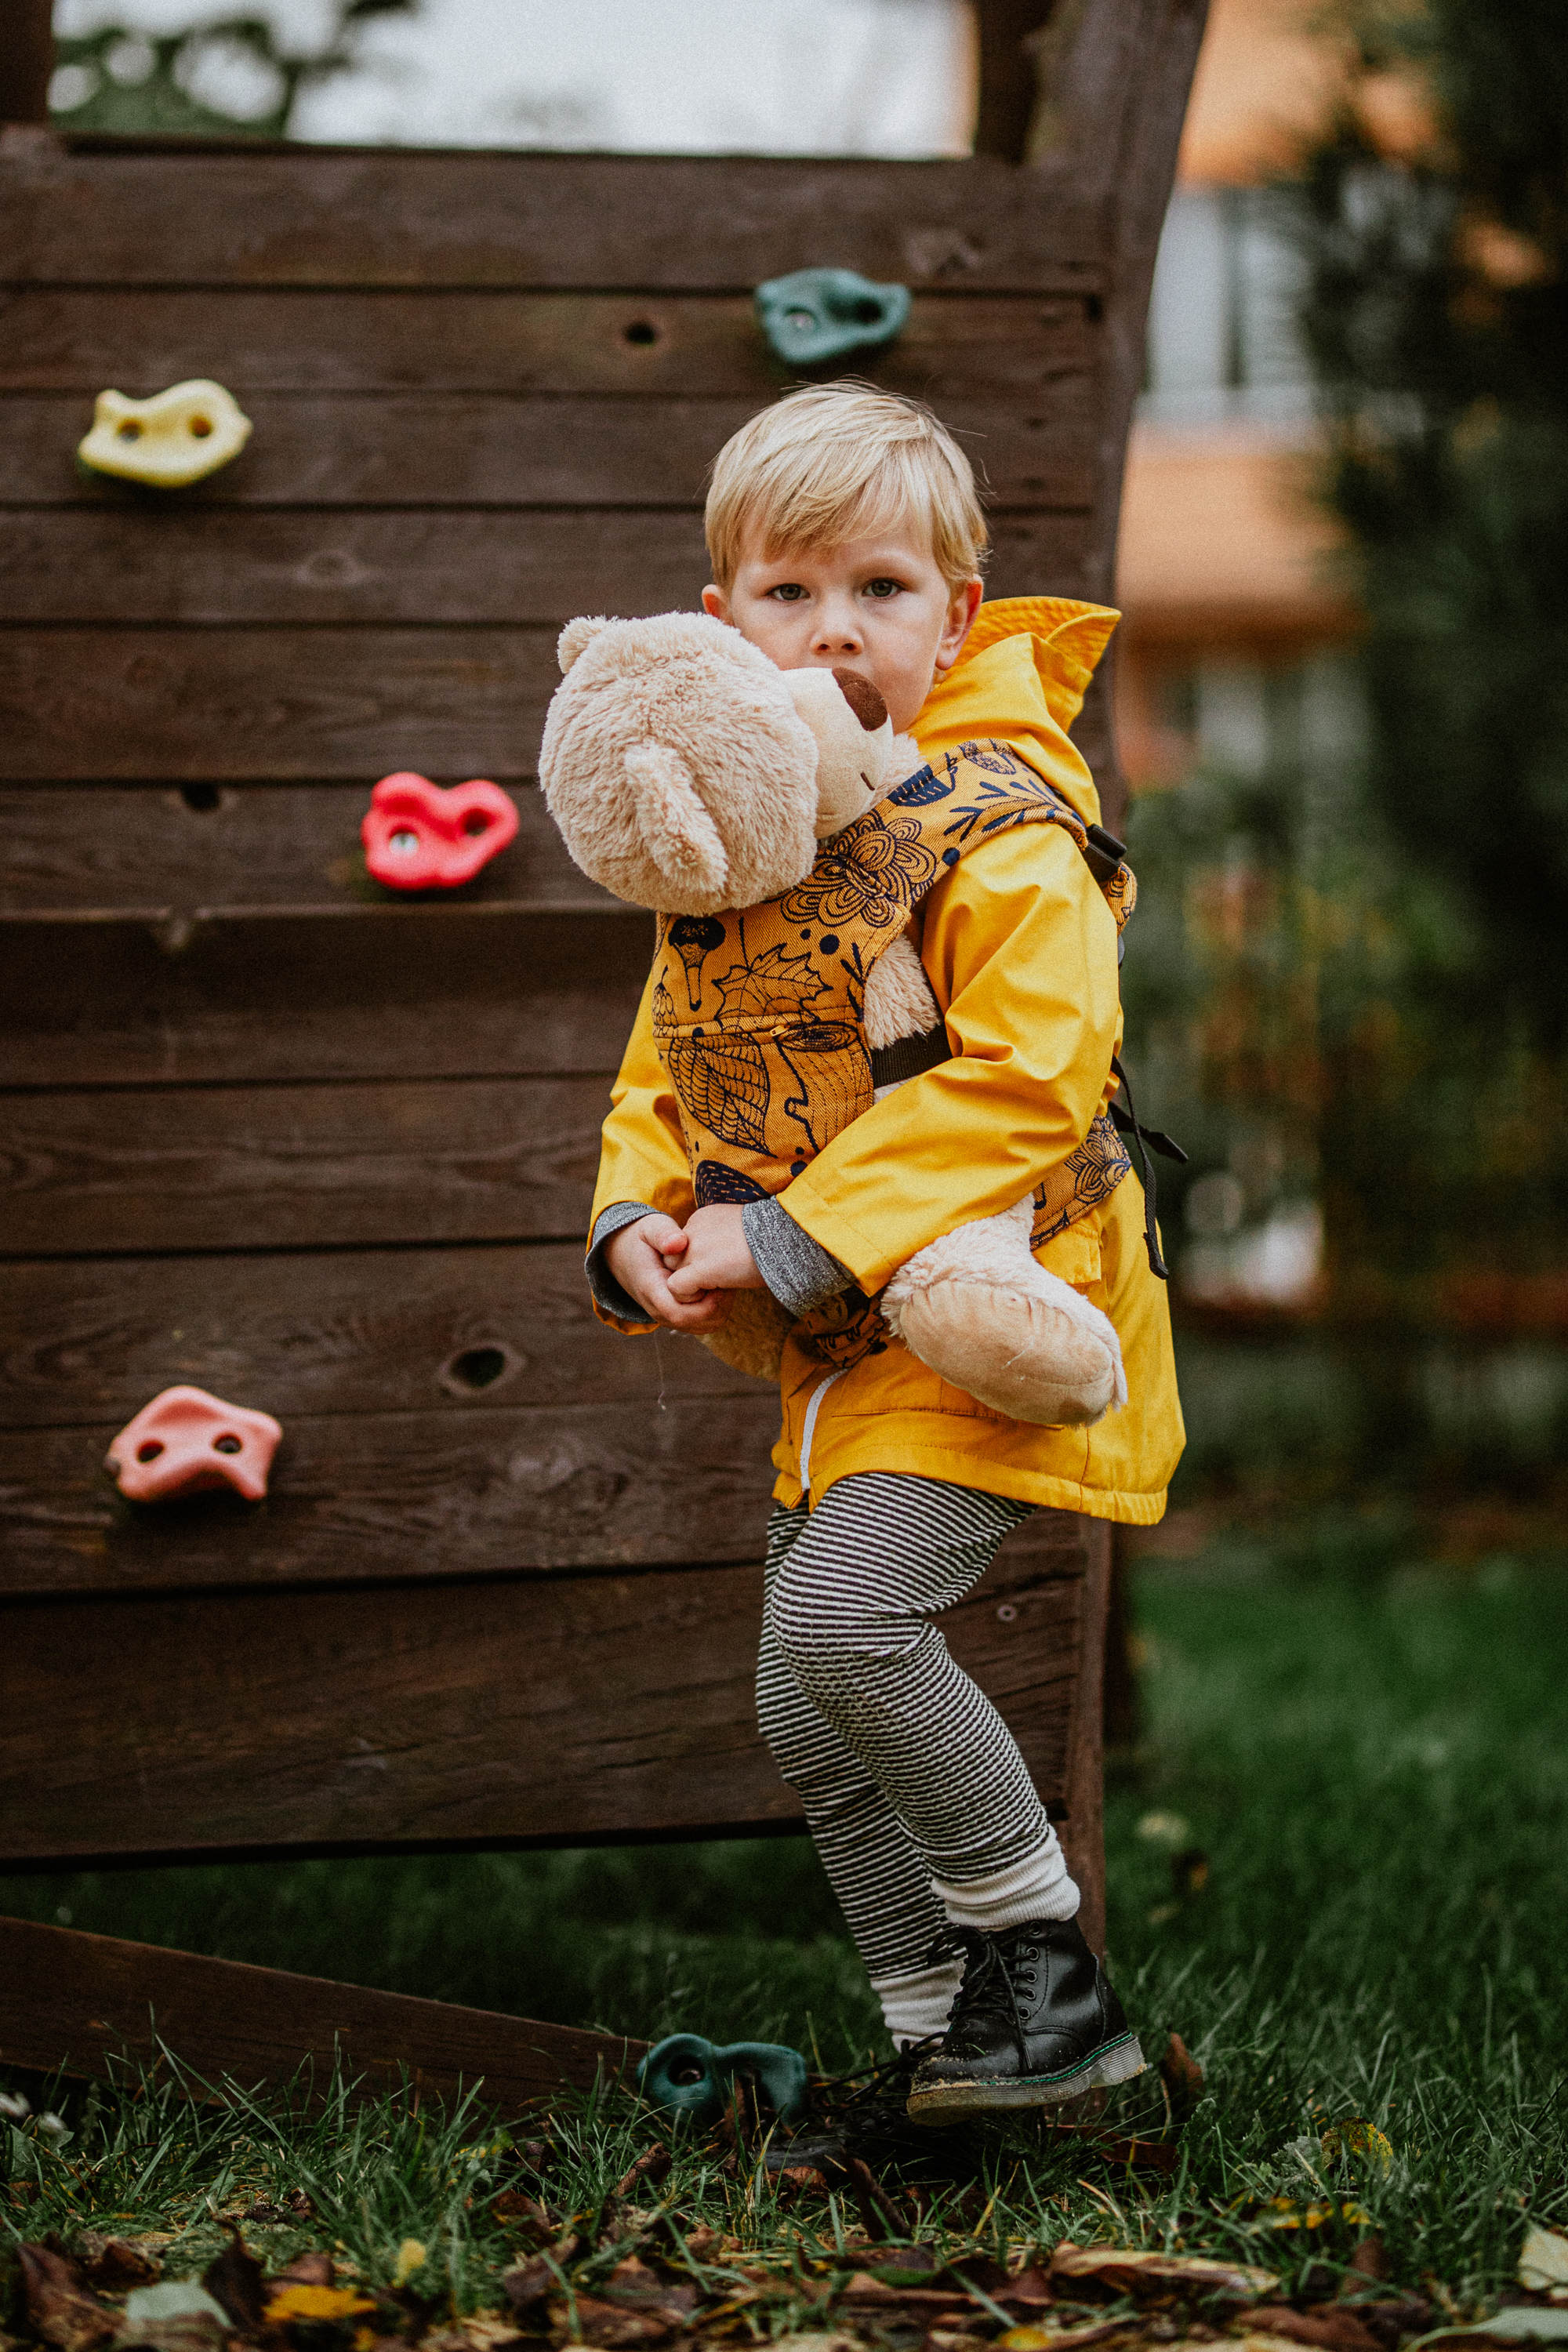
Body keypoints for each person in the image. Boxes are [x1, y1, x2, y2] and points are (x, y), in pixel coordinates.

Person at [582, 383, 1184, 2121]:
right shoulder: (733, 838)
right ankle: (940, 2052)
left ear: (959, 614)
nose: (833, 630)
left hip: (1006, 1303)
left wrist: (785, 1236)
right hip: (838, 1348)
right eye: (788, 593)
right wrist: (639, 1217)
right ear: (721, 624)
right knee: (806, 1704)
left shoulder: (997, 826)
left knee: (850, 1630)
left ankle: (1051, 1995)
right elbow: (668, 1061)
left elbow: (1028, 1077)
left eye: (881, 591)